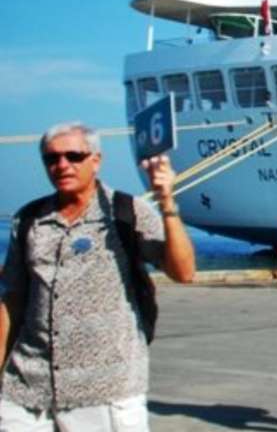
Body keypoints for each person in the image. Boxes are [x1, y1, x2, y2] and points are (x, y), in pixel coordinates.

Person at [0, 121, 196, 430]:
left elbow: (183, 272)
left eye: (74, 156)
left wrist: (167, 204)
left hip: (104, 389)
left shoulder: (126, 211)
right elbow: (12, 299)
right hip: (27, 385)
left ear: (96, 160)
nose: (62, 165)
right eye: (52, 158)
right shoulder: (28, 219)